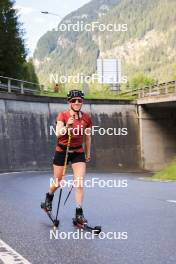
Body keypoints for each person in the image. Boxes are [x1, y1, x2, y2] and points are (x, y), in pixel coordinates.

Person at [42, 89, 92, 224]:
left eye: (79, 100)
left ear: (82, 102)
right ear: (68, 102)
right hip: (62, 150)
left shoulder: (86, 118)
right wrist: (67, 126)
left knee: (80, 183)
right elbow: (58, 134)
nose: (77, 102)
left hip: (77, 152)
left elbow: (87, 137)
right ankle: (48, 198)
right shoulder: (63, 116)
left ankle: (79, 214)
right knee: (57, 182)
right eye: (73, 100)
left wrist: (88, 153)